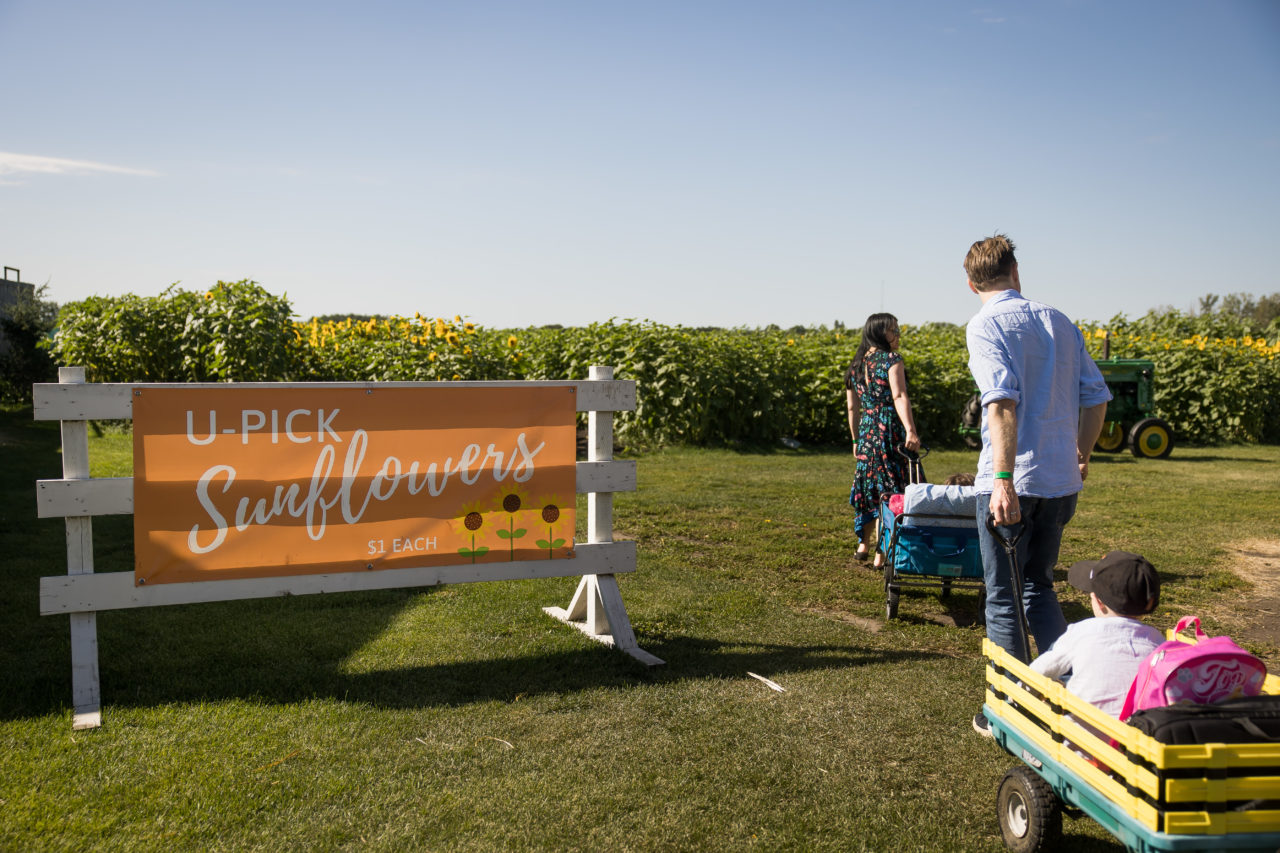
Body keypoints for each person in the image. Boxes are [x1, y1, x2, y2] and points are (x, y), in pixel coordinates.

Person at [963, 234, 1111, 737]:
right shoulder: (1059, 320)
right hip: (1059, 480)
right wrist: (1081, 454)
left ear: (970, 283)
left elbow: (1001, 402)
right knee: (1039, 586)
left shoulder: (984, 325)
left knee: (1003, 596)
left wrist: (1002, 479)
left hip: (1013, 481)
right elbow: (1097, 397)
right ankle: (1071, 695)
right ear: (1016, 271)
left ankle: (1011, 708)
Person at [1029, 551, 1163, 718]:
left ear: (1098, 601)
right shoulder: (1157, 641)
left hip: (1081, 736)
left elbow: (1038, 671)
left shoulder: (1080, 632)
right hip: (1137, 735)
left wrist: (1017, 696)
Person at [846, 313, 921, 567]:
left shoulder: (856, 364)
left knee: (868, 489)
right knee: (890, 490)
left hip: (866, 433)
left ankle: (863, 546)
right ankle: (883, 550)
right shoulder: (892, 360)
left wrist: (856, 439)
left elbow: (852, 408)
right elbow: (899, 396)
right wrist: (910, 430)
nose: (897, 334)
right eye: (893, 330)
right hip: (888, 431)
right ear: (879, 333)